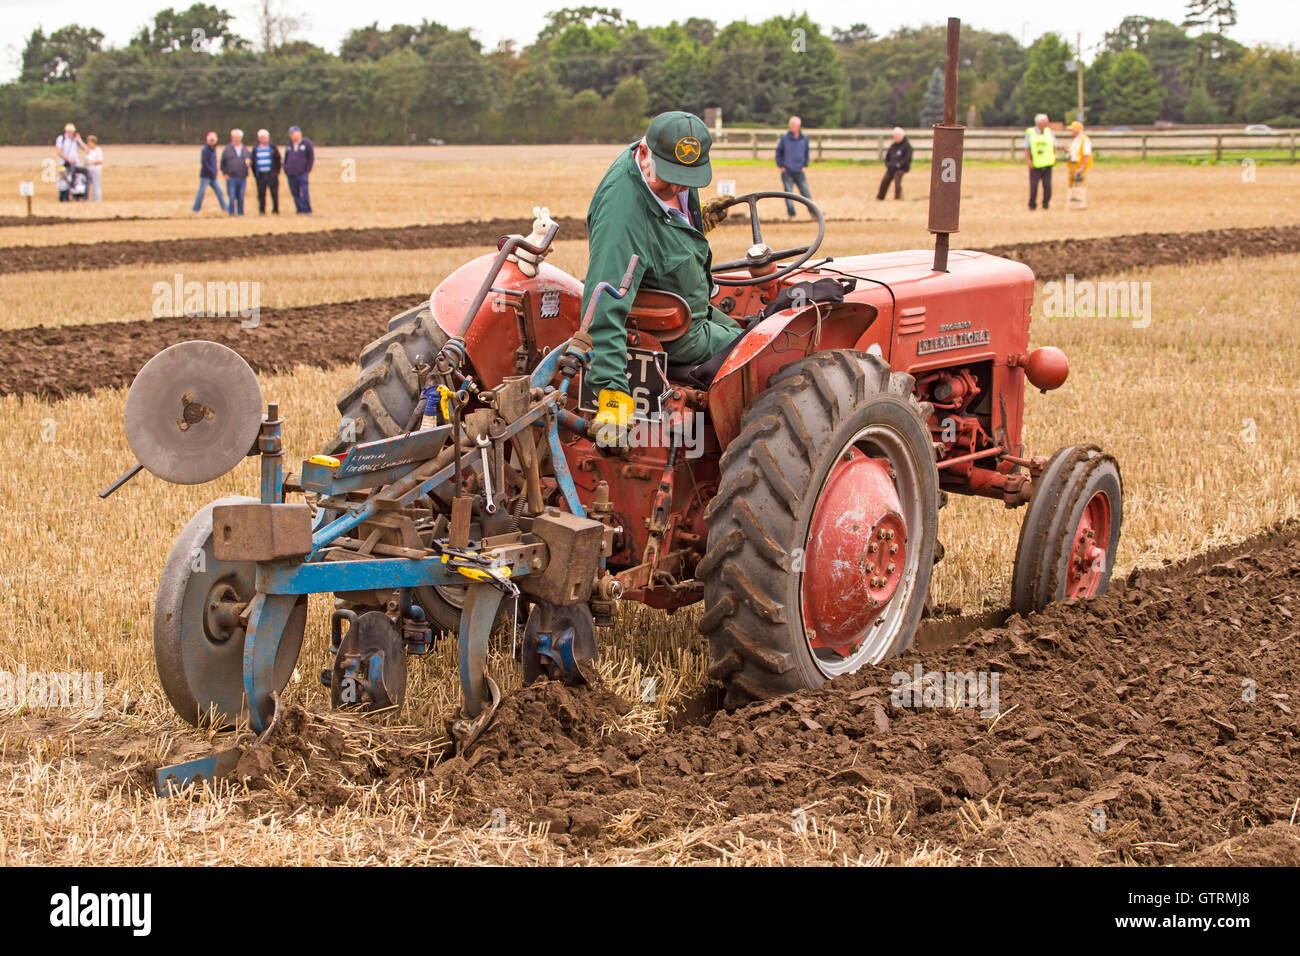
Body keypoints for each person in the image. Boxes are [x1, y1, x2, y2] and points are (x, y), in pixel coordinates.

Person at [585, 111, 742, 436]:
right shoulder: (622, 217)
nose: (676, 187)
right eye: (667, 177)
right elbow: (602, 305)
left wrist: (690, 224)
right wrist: (612, 394)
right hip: (678, 332)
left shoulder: (669, 170)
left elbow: (658, 228)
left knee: (749, 327)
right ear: (643, 154)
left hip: (689, 307)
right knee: (762, 348)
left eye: (686, 179)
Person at [774, 115, 812, 218]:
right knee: (788, 194)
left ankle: (813, 212)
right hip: (787, 171)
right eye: (790, 124)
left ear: (799, 125)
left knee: (806, 192)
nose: (792, 126)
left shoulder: (804, 139)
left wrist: (805, 165)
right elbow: (778, 152)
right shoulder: (785, 138)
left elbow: (807, 152)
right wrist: (781, 165)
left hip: (799, 170)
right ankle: (791, 214)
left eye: (794, 124)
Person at [1024, 113, 1059, 211]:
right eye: (1045, 122)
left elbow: (1054, 145)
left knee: (1047, 186)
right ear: (1039, 123)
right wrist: (1029, 161)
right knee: (1034, 186)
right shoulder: (1030, 133)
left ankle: (1046, 204)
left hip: (1048, 163)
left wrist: (1055, 156)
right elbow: (1026, 148)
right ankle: (1032, 205)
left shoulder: (1049, 132)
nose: (1047, 123)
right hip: (1035, 164)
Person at [193, 131, 227, 213]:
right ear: (207, 140)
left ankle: (225, 209)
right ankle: (195, 209)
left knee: (220, 192)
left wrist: (215, 171)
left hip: (213, 176)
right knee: (201, 193)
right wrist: (213, 171)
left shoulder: (214, 149)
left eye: (213, 140)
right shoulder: (205, 150)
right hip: (206, 176)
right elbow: (205, 163)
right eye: (210, 140)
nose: (212, 141)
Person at [284, 125, 314, 214]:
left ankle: (307, 210)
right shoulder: (289, 145)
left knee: (304, 191)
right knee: (294, 192)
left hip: (302, 173)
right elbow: (286, 158)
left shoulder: (306, 143)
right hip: (290, 173)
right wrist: (286, 168)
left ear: (299, 133)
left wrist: (308, 169)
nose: (292, 136)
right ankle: (299, 210)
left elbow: (311, 157)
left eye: (294, 133)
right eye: (291, 134)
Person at [221, 128, 251, 216]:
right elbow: (223, 163)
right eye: (234, 137)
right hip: (231, 177)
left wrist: (249, 163)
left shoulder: (245, 149)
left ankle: (240, 213)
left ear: (241, 138)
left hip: (242, 177)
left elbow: (250, 161)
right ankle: (231, 213)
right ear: (232, 137)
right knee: (232, 196)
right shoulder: (227, 149)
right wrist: (225, 173)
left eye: (238, 137)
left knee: (241, 196)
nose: (236, 139)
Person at [251, 129, 282, 214]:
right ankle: (262, 211)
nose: (263, 139)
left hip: (271, 174)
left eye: (264, 137)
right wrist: (256, 174)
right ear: (259, 138)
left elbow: (278, 160)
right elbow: (253, 163)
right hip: (260, 175)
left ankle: (275, 210)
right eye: (261, 137)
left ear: (267, 138)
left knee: (274, 193)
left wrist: (276, 172)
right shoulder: (256, 149)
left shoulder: (272, 148)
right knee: (261, 194)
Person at [877, 127, 912, 200]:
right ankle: (880, 197)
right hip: (891, 167)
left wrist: (900, 165)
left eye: (896, 136)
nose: (894, 137)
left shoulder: (907, 146)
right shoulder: (893, 146)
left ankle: (898, 197)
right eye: (894, 136)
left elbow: (907, 159)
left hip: (902, 168)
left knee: (897, 178)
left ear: (901, 136)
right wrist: (887, 164)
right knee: (885, 180)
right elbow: (887, 157)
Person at [53, 123, 84, 202]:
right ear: (66, 131)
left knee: (75, 180)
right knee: (63, 180)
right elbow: (59, 152)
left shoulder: (75, 139)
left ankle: (76, 197)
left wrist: (79, 140)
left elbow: (85, 149)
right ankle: (64, 198)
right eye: (69, 131)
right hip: (64, 163)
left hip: (75, 164)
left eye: (72, 131)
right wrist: (68, 159)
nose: (71, 133)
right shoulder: (61, 138)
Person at [1066, 121, 1093, 186]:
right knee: (1071, 184)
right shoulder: (1075, 140)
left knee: (1079, 185)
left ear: (1077, 130)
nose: (1071, 131)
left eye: (1072, 130)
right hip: (1072, 164)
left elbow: (1086, 155)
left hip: (1079, 165)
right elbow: (1072, 152)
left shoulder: (1085, 140)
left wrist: (1081, 167)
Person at [84, 135, 104, 201]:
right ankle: (86, 199)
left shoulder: (98, 150)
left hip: (95, 170)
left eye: (89, 142)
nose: (88, 144)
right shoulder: (89, 151)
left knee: (96, 186)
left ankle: (97, 200)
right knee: (87, 186)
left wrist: (91, 163)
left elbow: (100, 161)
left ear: (93, 142)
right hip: (88, 170)